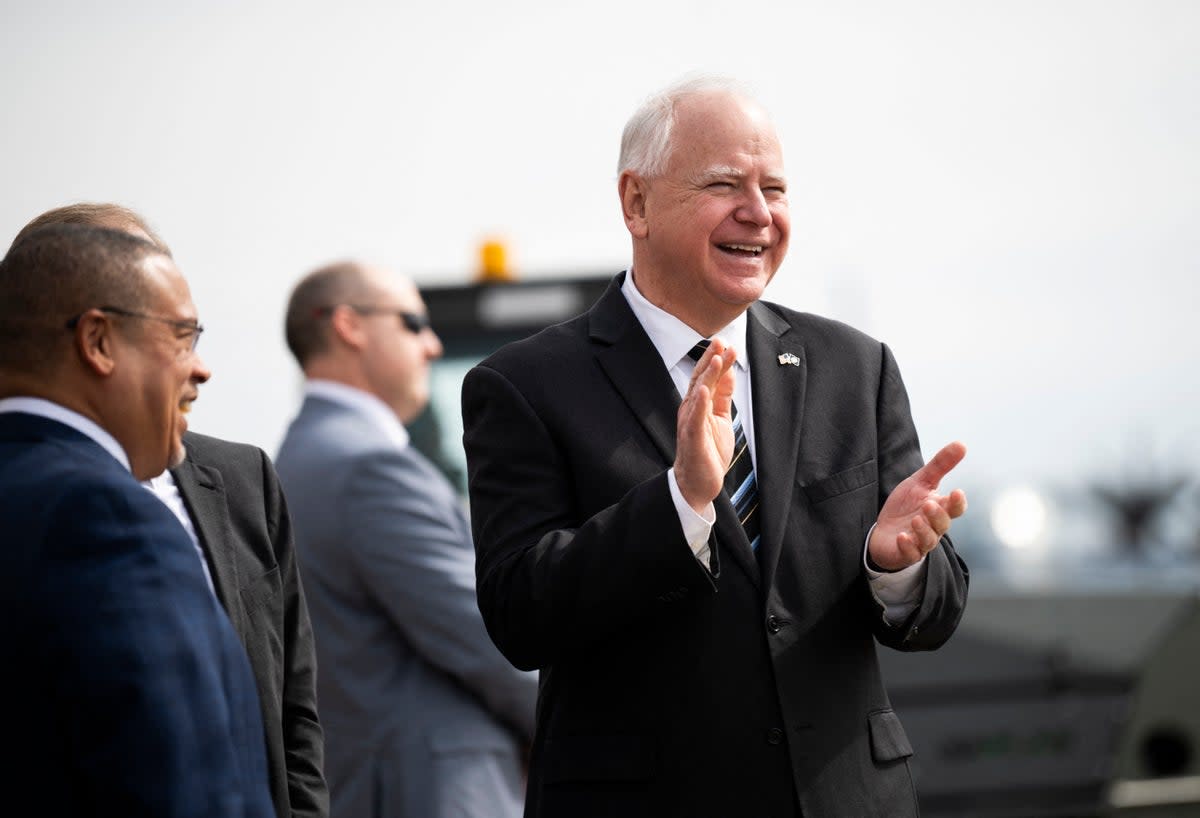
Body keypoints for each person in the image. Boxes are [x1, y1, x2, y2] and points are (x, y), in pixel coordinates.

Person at [460, 76, 971, 818]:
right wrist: (680, 505)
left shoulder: (855, 368)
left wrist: (895, 566)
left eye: (776, 188)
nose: (758, 213)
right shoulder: (523, 387)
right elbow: (519, 615)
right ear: (635, 202)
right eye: (725, 184)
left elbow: (936, 613)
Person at [10, 203, 329, 818]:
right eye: (181, 335)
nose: (201, 368)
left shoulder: (244, 479)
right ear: (97, 339)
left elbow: (294, 717)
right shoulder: (106, 515)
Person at [276, 261, 538, 818]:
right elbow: (495, 643)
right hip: (437, 793)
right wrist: (602, 730)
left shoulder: (302, 459)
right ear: (350, 326)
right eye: (414, 323)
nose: (433, 345)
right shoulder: (367, 467)